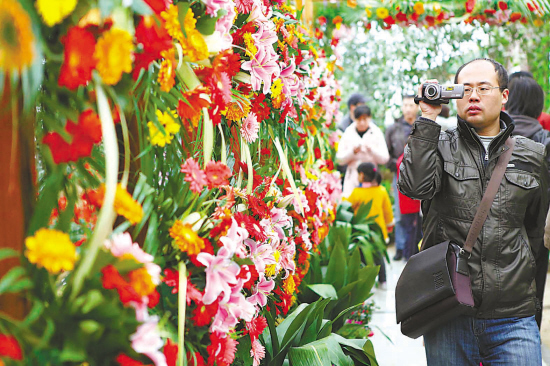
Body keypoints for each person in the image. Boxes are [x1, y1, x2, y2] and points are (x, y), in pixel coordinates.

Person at [398, 58, 548, 365]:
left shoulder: (533, 154)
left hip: (512, 316)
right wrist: (427, 118)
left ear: (504, 95)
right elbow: (414, 188)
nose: (474, 96)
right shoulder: (436, 142)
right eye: (464, 89)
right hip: (448, 310)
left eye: (483, 88)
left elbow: (534, 230)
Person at [505, 74, 550, 329]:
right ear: (538, 106)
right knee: (532, 299)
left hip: (490, 234)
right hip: (535, 238)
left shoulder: (490, 137)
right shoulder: (545, 140)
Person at [346, 162, 393, 289]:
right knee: (379, 256)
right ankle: (383, 281)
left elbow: (346, 206)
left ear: (361, 175)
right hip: (378, 231)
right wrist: (390, 224)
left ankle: (364, 281)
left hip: (362, 232)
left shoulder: (357, 193)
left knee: (362, 256)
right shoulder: (381, 191)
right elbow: (387, 210)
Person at [385, 95, 419, 260]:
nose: (408, 108)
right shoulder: (394, 128)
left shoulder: (423, 125)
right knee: (400, 212)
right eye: (405, 105)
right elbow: (386, 153)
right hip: (399, 174)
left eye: (411, 105)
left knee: (420, 212)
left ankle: (416, 247)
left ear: (417, 107)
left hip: (421, 174)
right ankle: (400, 248)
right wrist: (398, 164)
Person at [336, 105, 389, 197]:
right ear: (354, 119)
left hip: (371, 179)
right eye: (359, 120)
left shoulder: (376, 132)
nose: (362, 123)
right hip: (352, 179)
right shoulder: (348, 132)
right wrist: (352, 152)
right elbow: (339, 159)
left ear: (370, 118)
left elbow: (384, 158)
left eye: (365, 119)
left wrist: (372, 150)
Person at [396, 154, 421, 261]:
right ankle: (409, 257)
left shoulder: (401, 159)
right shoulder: (410, 159)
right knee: (412, 231)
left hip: (405, 202)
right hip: (412, 203)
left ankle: (407, 255)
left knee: (408, 230)